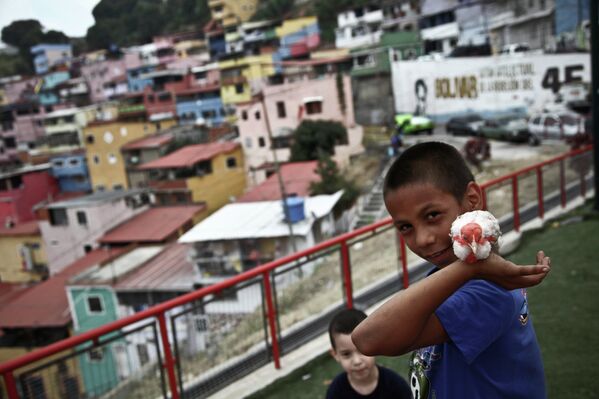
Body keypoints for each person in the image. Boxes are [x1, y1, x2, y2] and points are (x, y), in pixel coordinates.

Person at [351, 142, 551, 399]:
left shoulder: (488, 291)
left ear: (472, 200)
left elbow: (368, 339)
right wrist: (465, 268)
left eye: (432, 215)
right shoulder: (451, 274)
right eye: (405, 227)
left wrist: (467, 270)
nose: (422, 239)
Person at [326, 308, 413, 399]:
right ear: (335, 354)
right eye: (346, 354)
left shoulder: (395, 384)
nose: (357, 361)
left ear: (374, 346)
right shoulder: (336, 391)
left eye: (362, 350)